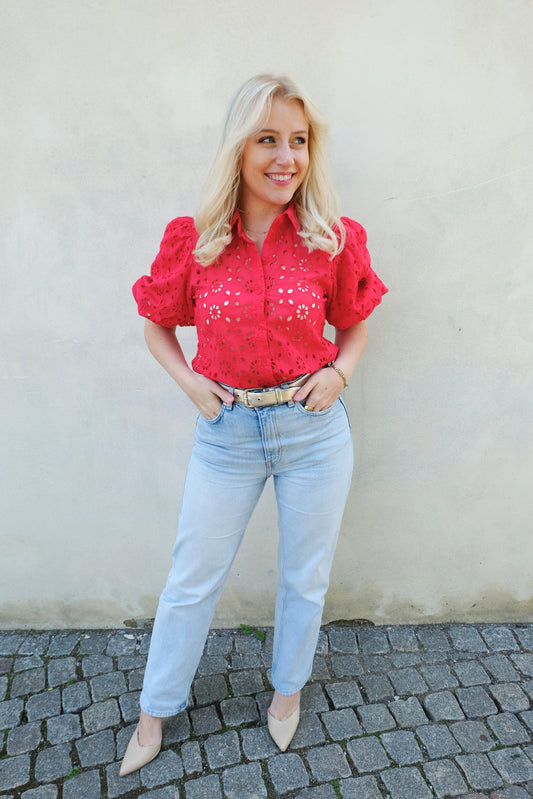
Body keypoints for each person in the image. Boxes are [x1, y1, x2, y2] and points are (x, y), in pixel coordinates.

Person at [120, 73, 387, 776]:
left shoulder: (331, 237)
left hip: (312, 432)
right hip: (228, 434)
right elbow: (155, 326)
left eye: (297, 141)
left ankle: (285, 694)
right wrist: (193, 388)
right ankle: (154, 712)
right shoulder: (199, 239)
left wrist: (339, 372)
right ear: (239, 147)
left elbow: (354, 326)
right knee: (191, 578)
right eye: (267, 138)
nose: (285, 157)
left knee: (304, 577)